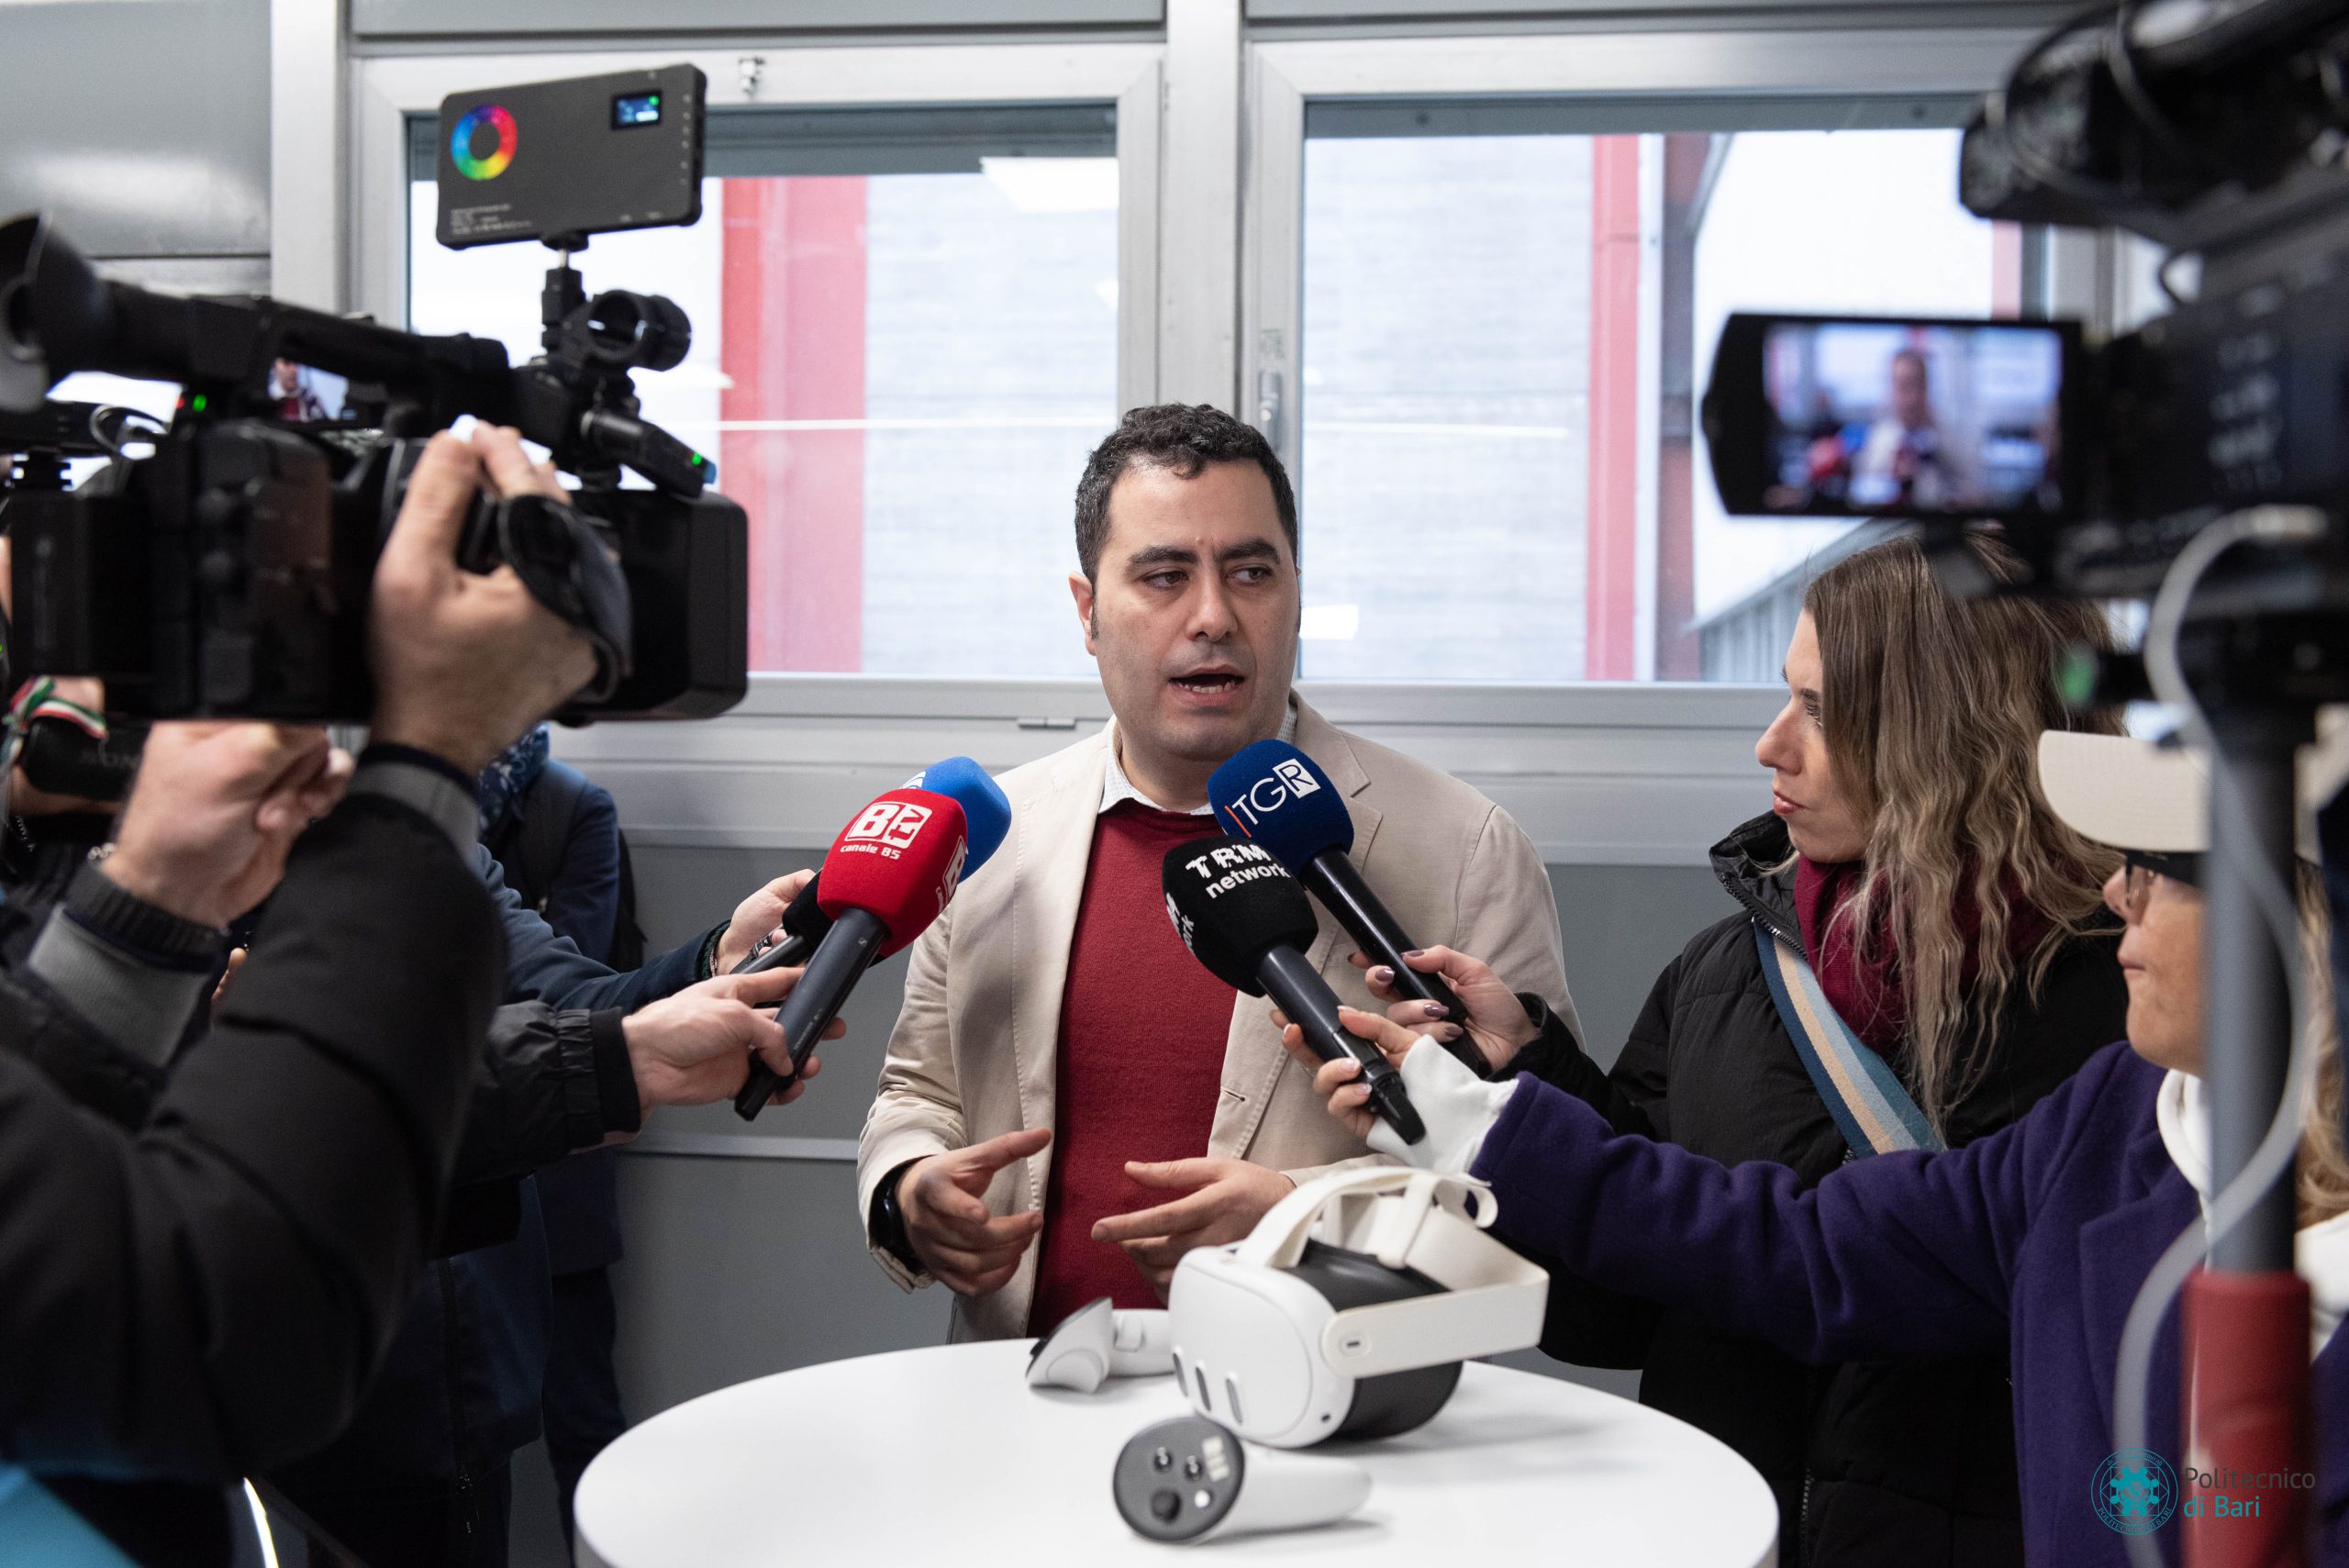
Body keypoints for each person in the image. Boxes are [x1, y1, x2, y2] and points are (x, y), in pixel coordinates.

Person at [0, 428, 830, 1562]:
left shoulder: (260, 817)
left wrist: (694, 982)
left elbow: (568, 994)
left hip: (422, 1369)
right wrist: (424, 762)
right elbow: (196, 1314)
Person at [1290, 726, 2349, 1567]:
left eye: (2167, 862)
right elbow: (1803, 1249)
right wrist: (1477, 1117)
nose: (2120, 889)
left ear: (2311, 911)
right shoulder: (2117, 1118)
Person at [1345, 534, 2123, 1566]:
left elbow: (1836, 1270)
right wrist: (1524, 1069)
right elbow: (1620, 1313)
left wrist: (1499, 1133)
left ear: (1948, 735)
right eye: (1783, 696)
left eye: (1822, 711)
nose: (1770, 745)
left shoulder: (2122, 1011)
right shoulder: (1726, 973)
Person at [854, 402, 1578, 1341]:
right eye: (1164, 576)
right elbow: (919, 1092)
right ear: (1087, 611)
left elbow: (1540, 1183)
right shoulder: (993, 837)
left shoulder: (1464, 846)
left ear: (1296, 593)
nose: (1212, 616)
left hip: (1334, 1396)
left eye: (1250, 572)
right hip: (1022, 1390)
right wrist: (907, 1192)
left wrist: (1294, 1217)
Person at [1847, 348, 1980, 509]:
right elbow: (1858, 496)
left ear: (1926, 387)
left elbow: (1975, 495)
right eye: (1902, 386)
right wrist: (1890, 477)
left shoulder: (1952, 440)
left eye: (1916, 385)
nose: (1910, 398)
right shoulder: (1878, 439)